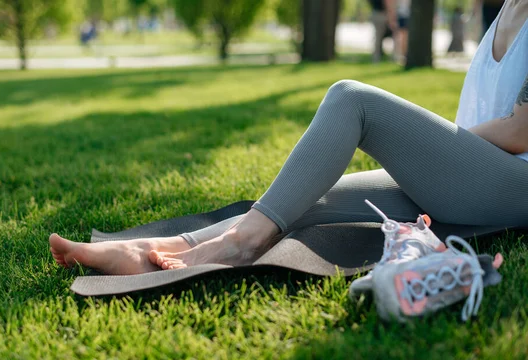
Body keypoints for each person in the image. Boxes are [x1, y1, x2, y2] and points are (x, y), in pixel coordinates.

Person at [50, 0, 528, 276]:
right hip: (473, 173)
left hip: (514, 184)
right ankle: (150, 252)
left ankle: (240, 243)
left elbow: (517, 131)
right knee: (304, 198)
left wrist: (423, 143)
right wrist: (430, 148)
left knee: (352, 99)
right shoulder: (503, 9)